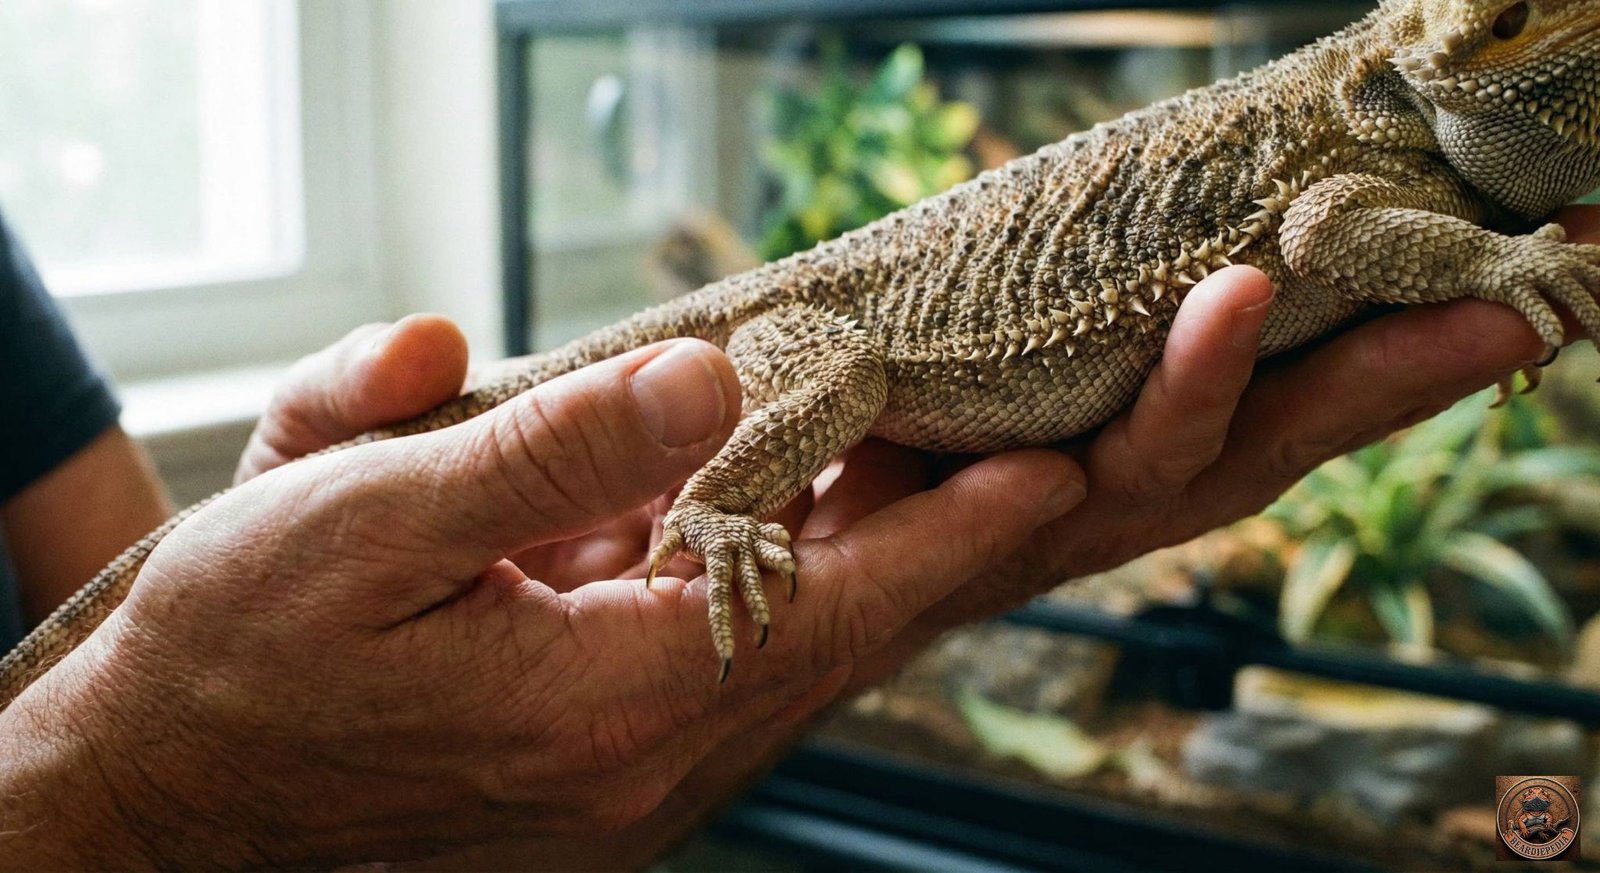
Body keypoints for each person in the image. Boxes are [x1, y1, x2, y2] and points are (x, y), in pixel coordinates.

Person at [0, 197, 1586, 869]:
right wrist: (142, 794)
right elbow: (166, 701)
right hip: (839, 342)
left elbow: (146, 604)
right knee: (822, 379)